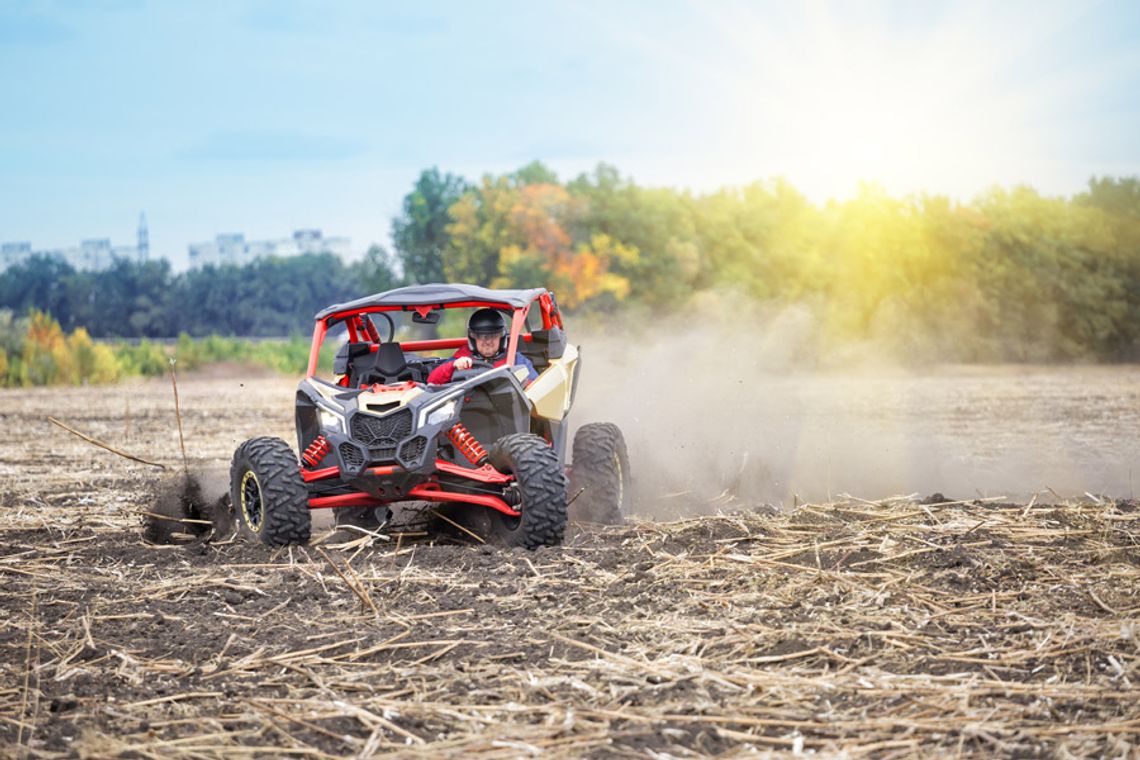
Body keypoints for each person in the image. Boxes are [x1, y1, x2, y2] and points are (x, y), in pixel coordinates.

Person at [427, 308, 538, 385]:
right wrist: (453, 366)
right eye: (482, 336)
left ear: (502, 337)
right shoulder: (461, 359)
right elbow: (432, 381)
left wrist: (518, 381)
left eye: (493, 336)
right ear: (473, 338)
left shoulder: (515, 359)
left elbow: (535, 387)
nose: (488, 341)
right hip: (467, 411)